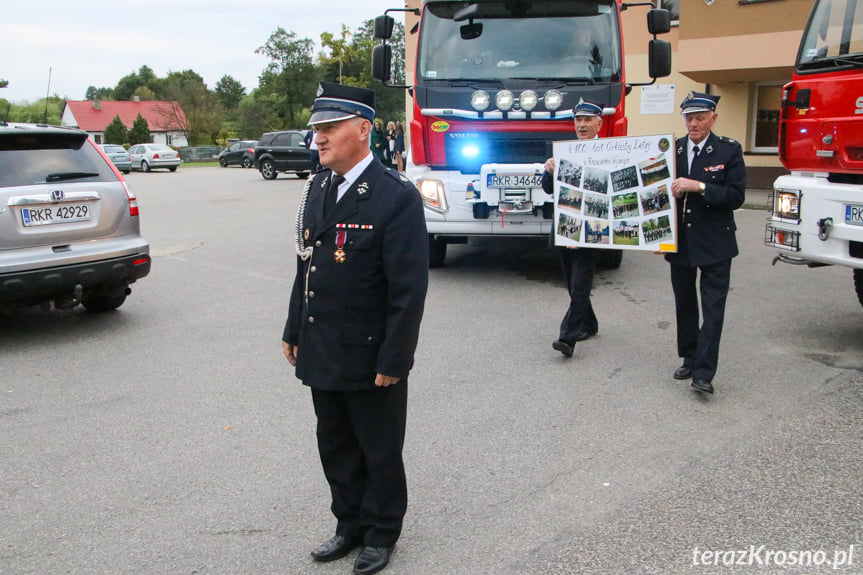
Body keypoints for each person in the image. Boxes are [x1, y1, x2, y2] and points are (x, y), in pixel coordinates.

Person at [282, 82, 429, 574]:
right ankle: (349, 524)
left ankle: (381, 532)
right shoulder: (318, 187)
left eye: (328, 129)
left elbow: (408, 290)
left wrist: (395, 358)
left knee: (379, 448)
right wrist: (294, 328)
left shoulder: (395, 197)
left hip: (370, 353)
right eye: (316, 130)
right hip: (323, 344)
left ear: (363, 130)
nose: (318, 139)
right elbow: (307, 266)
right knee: (336, 443)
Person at [667, 92, 746, 394]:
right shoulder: (672, 150)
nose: (694, 123)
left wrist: (699, 187)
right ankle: (689, 357)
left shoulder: (728, 151)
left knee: (713, 310)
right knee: (685, 305)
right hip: (681, 242)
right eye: (689, 117)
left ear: (713, 117)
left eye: (700, 117)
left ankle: (704, 372)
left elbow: (736, 197)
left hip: (715, 243)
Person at [542, 100, 604, 358]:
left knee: (580, 284)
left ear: (599, 123)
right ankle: (589, 323)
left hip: (593, 228)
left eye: (588, 120)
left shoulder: (608, 151)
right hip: (566, 228)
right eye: (578, 120)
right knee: (571, 282)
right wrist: (547, 170)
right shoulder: (565, 151)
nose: (582, 125)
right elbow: (548, 189)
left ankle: (567, 337)